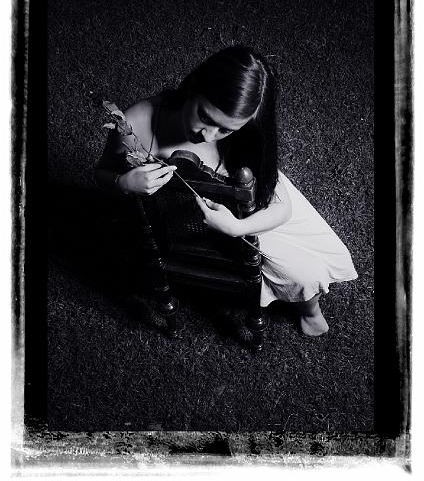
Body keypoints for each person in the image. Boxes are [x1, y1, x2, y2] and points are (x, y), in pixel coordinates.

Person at [95, 45, 358, 336]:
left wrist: (237, 227)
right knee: (306, 272)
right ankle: (308, 301)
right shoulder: (137, 122)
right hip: (187, 217)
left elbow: (282, 208)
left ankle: (310, 307)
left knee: (311, 268)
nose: (207, 135)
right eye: (205, 116)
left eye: (225, 130)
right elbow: (102, 173)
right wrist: (123, 183)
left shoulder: (247, 138)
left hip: (247, 212)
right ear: (194, 87)